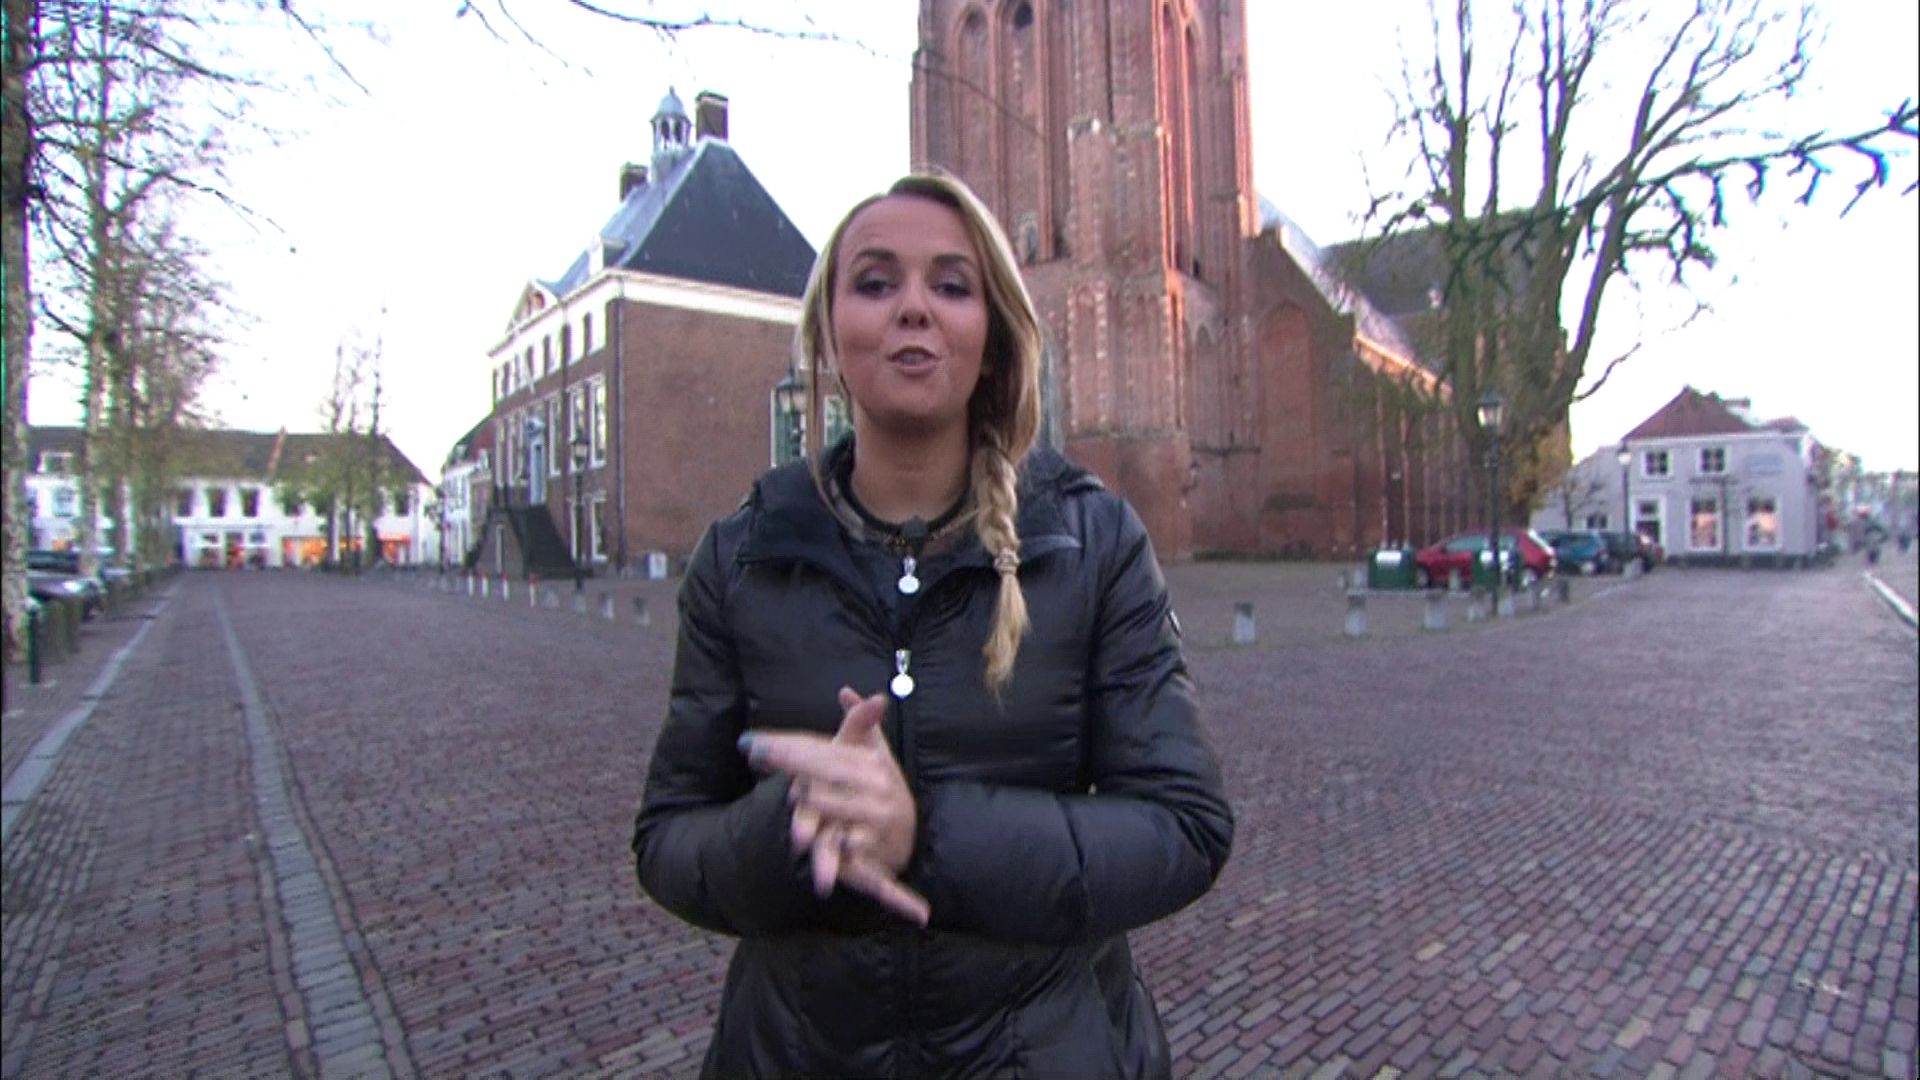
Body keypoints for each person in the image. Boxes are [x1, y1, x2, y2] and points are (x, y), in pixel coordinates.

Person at [631, 171, 1234, 1078]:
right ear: (829, 335)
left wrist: (926, 835)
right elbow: (667, 838)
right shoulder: (741, 558)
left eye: (951, 285)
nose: (913, 306)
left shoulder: (1093, 542)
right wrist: (796, 824)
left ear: (991, 339)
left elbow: (1185, 827)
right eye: (876, 282)